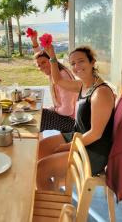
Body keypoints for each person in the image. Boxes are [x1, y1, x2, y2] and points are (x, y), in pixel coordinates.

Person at [37, 44, 115, 191]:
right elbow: (58, 81)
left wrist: (66, 147)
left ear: (92, 62)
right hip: (78, 137)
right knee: (40, 149)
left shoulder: (101, 93)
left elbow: (95, 134)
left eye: (81, 61)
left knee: (41, 169)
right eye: (73, 63)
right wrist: (52, 56)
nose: (76, 66)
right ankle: (52, 189)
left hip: (93, 151)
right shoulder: (83, 85)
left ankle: (53, 208)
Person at [30, 31, 78, 133]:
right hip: (66, 115)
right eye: (39, 65)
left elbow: (67, 110)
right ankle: (36, 140)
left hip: (71, 122)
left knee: (40, 117)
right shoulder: (55, 71)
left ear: (51, 61)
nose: (41, 67)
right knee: (38, 112)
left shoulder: (62, 76)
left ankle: (34, 142)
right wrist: (34, 42)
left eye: (44, 63)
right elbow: (40, 56)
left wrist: (52, 109)